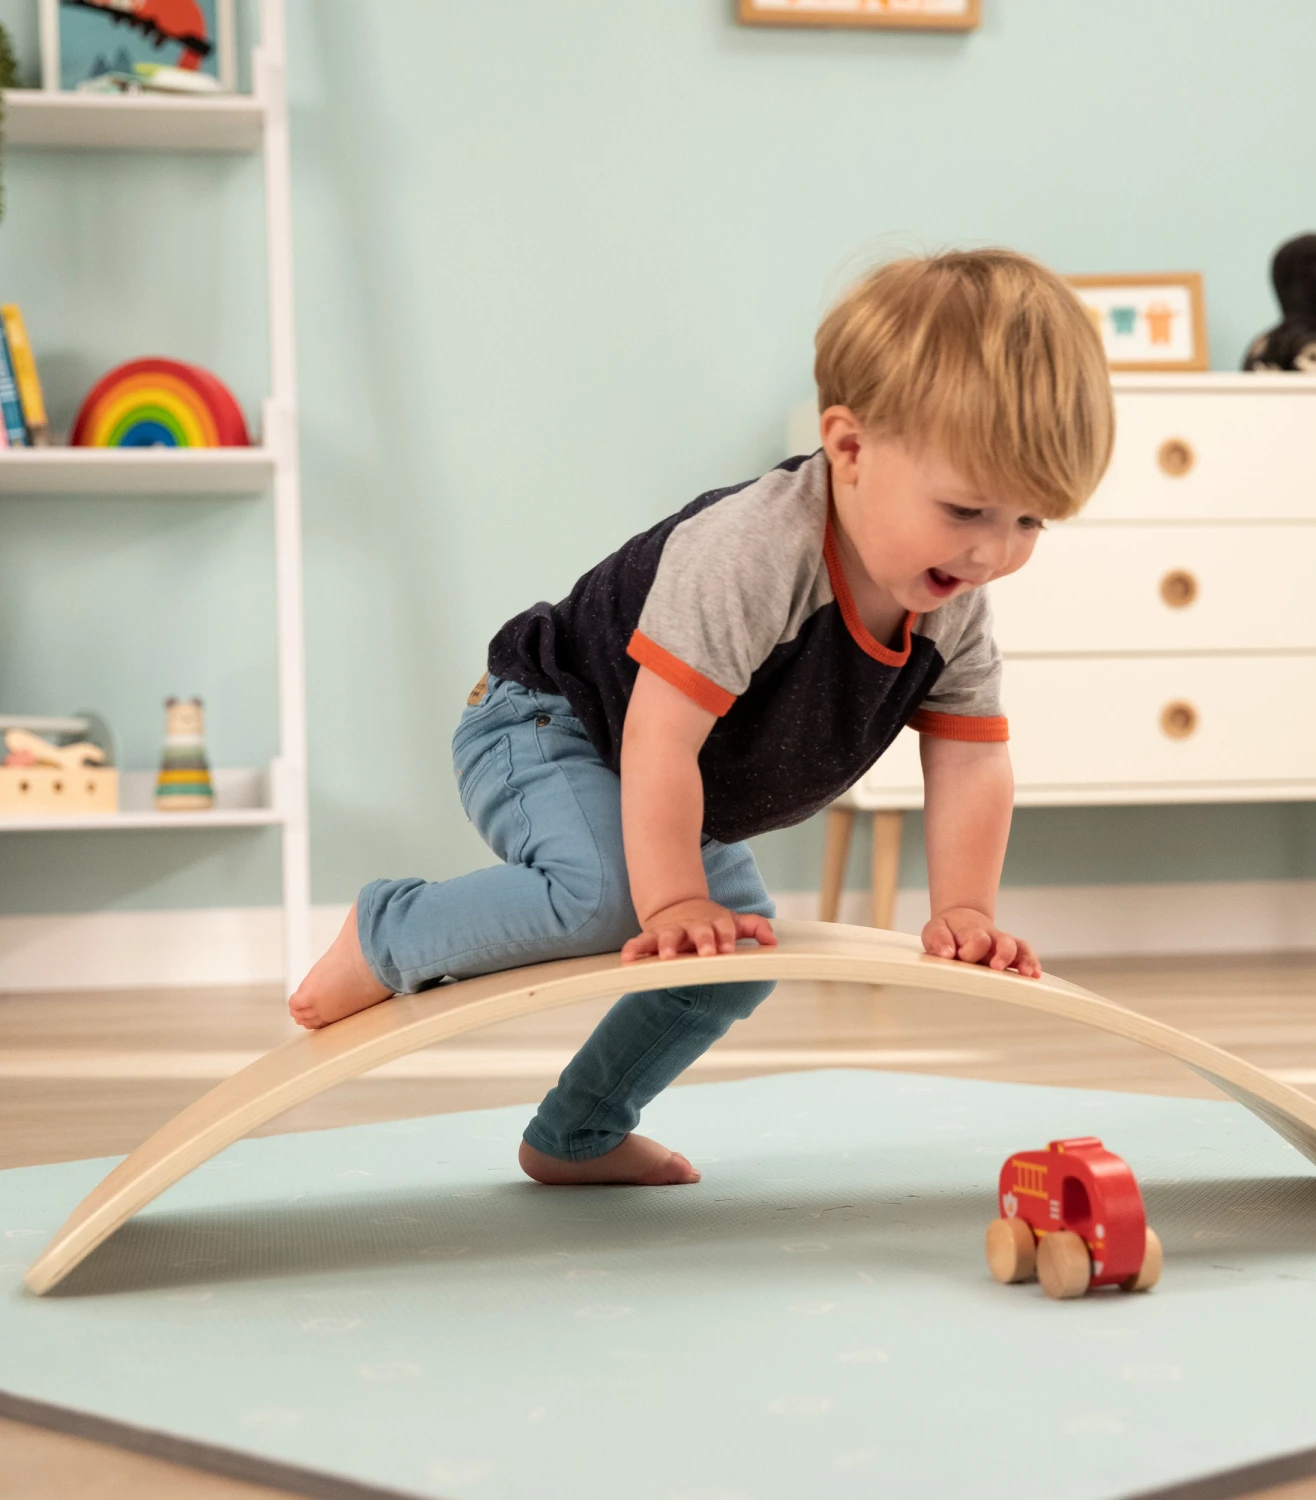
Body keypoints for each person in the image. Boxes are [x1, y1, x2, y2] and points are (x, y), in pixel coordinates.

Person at [288, 248, 1115, 1188]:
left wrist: (964, 910)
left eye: (1031, 523)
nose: (994, 552)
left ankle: (578, 1132)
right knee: (612, 901)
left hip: (674, 785)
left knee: (728, 962)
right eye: (968, 508)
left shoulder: (952, 598)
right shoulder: (755, 554)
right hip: (554, 721)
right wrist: (675, 896)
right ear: (848, 448)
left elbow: (970, 762)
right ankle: (388, 929)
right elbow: (659, 732)